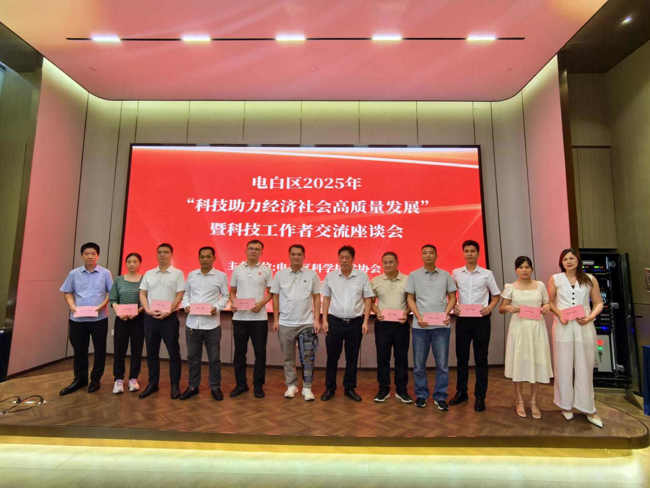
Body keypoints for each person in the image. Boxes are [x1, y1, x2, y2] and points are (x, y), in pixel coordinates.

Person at [548, 248, 604, 428]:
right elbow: (550, 302)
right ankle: (565, 405)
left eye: (572, 258)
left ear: (578, 260)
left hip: (584, 326)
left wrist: (590, 317)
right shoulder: (555, 279)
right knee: (563, 365)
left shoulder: (589, 279)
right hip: (563, 326)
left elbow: (598, 303)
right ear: (561, 262)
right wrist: (559, 315)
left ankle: (589, 408)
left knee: (584, 366)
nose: (569, 261)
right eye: (565, 259)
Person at [450, 240, 501, 412]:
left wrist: (489, 308)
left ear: (478, 253)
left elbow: (496, 295)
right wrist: (455, 306)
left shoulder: (487, 274)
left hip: (481, 320)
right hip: (463, 319)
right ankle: (461, 392)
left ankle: (480, 396)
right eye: (467, 251)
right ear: (463, 253)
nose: (470, 253)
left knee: (481, 359)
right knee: (462, 358)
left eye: (473, 251)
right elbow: (450, 294)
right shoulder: (456, 273)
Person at [500, 256, 553, 419]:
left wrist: (546, 307)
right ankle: (519, 401)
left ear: (532, 269)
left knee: (536, 363)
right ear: (516, 270)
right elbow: (501, 308)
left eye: (527, 267)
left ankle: (534, 402)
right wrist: (510, 308)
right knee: (519, 364)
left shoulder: (540, 285)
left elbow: (547, 303)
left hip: (536, 328)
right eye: (521, 267)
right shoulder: (510, 287)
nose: (524, 270)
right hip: (519, 329)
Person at [406, 244, 457, 410]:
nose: (428, 255)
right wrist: (418, 316)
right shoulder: (413, 275)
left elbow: (452, 297)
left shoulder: (445, 275)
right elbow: (410, 298)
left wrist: (446, 314)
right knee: (419, 365)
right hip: (420, 326)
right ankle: (421, 395)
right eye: (425, 253)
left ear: (436, 255)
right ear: (421, 256)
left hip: (441, 326)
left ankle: (440, 396)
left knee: (442, 365)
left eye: (431, 253)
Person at [321, 245, 374, 402]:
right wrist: (324, 319)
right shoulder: (331, 276)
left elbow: (368, 299)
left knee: (352, 357)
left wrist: (365, 321)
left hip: (355, 322)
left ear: (353, 259)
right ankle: (330, 388)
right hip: (334, 321)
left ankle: (349, 388)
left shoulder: (362, 276)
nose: (344, 260)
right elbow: (326, 299)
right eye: (341, 257)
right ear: (338, 259)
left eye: (347, 258)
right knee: (332, 357)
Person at [59, 242, 113, 395]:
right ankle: (80, 379)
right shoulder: (73, 273)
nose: (90, 256)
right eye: (87, 253)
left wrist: (102, 305)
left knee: (99, 350)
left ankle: (95, 380)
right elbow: (67, 292)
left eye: (93, 254)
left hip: (99, 319)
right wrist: (72, 306)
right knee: (79, 351)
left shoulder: (105, 273)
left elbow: (111, 293)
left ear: (98, 256)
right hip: (78, 320)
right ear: (82, 255)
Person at [271, 244, 321, 401]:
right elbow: (275, 297)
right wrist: (276, 319)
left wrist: (316, 319)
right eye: (293, 254)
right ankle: (291, 385)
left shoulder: (312, 275)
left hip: (306, 323)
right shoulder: (280, 275)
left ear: (304, 256)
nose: (296, 257)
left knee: (308, 357)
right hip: (285, 323)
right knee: (288, 358)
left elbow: (317, 297)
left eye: (299, 254)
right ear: (289, 256)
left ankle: (307, 387)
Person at [180, 246, 229, 401]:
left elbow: (225, 296)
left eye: (208, 256)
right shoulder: (192, 275)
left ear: (213, 258)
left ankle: (215, 387)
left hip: (212, 325)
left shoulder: (220, 276)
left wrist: (217, 307)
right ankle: (193, 386)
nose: (205, 259)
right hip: (193, 324)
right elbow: (186, 294)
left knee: (214, 359)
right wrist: (186, 305)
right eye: (202, 256)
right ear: (199, 258)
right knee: (193, 358)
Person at [138, 243, 185, 399]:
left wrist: (169, 310)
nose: (162, 254)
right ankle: (153, 384)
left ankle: (175, 385)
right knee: (151, 352)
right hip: (150, 317)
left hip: (169, 318)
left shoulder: (177, 274)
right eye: (160, 252)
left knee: (173, 352)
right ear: (156, 254)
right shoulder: (149, 273)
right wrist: (147, 309)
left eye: (166, 252)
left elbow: (180, 294)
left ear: (171, 254)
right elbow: (142, 293)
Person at [229, 239, 273, 398]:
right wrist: (233, 302)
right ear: (246, 250)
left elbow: (272, 292)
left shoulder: (266, 270)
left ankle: (258, 386)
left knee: (260, 353)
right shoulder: (238, 269)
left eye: (257, 249)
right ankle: (241, 385)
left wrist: (261, 304)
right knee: (239, 353)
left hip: (259, 318)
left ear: (261, 252)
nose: (254, 251)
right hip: (240, 318)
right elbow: (232, 291)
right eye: (251, 248)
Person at [371, 251, 412, 404]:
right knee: (383, 358)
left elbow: (411, 300)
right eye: (385, 262)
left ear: (397, 263)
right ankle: (383, 389)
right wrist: (376, 312)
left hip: (401, 324)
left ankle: (402, 390)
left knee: (401, 358)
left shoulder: (407, 280)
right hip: (383, 324)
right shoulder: (375, 281)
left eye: (391, 262)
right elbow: (369, 301)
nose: (388, 265)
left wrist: (407, 312)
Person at [109, 252, 144, 394]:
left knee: (137, 350)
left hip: (138, 319)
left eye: (135, 261)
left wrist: (137, 311)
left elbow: (146, 300)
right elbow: (113, 299)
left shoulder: (144, 280)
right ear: (126, 263)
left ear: (139, 263)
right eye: (129, 261)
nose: (132, 264)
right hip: (121, 319)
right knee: (119, 350)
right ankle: (118, 379)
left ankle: (133, 379)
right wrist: (119, 312)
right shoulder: (118, 280)